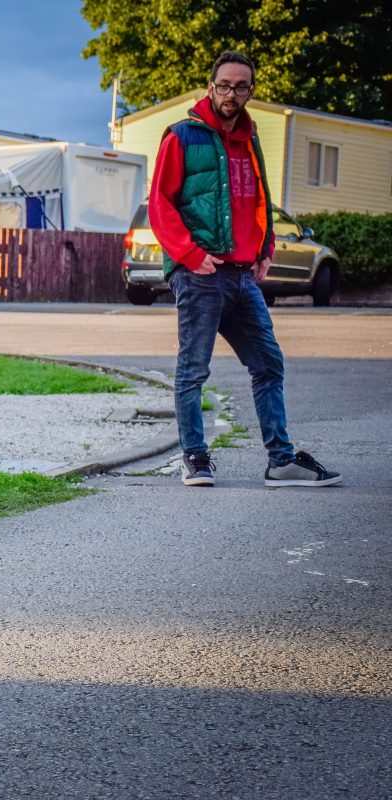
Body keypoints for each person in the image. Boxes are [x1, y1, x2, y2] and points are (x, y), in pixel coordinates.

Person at [149, 50, 341, 489]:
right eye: (224, 85)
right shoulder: (182, 136)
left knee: (269, 365)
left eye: (240, 86)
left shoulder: (250, 138)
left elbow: (258, 198)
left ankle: (281, 461)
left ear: (251, 90)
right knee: (193, 370)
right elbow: (160, 205)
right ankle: (194, 458)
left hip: (241, 274)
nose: (231, 94)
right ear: (210, 86)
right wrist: (190, 254)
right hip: (200, 273)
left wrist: (266, 247)